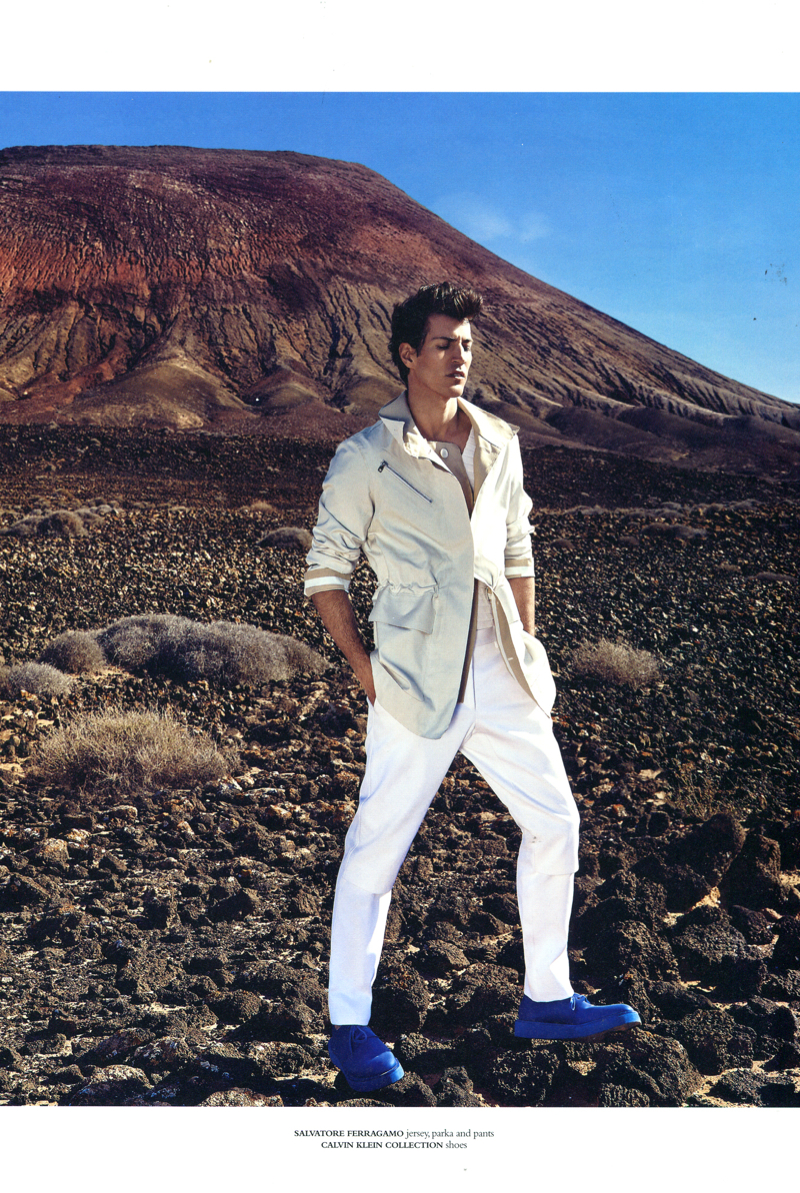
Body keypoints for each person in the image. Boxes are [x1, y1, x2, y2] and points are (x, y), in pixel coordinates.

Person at [304, 281, 639, 1093]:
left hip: (502, 669)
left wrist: (528, 644)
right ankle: (349, 1023)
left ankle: (547, 996)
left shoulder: (499, 440)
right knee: (378, 845)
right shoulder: (366, 455)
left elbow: (518, 548)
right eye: (444, 344)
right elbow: (325, 573)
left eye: (467, 345)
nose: (459, 357)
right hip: (414, 678)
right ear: (407, 355)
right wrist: (367, 670)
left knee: (556, 820)